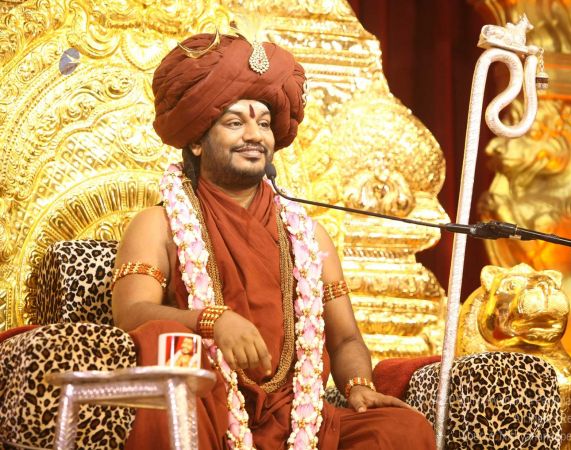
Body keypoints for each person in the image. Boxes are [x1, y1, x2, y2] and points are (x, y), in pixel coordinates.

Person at [111, 31, 435, 449]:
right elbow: (132, 315)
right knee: (166, 348)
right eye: (235, 122)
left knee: (403, 430)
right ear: (196, 141)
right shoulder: (158, 224)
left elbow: (345, 339)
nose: (255, 135)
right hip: (206, 408)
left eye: (264, 123)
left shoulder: (309, 236)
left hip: (300, 420)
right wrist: (213, 321)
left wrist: (358, 385)